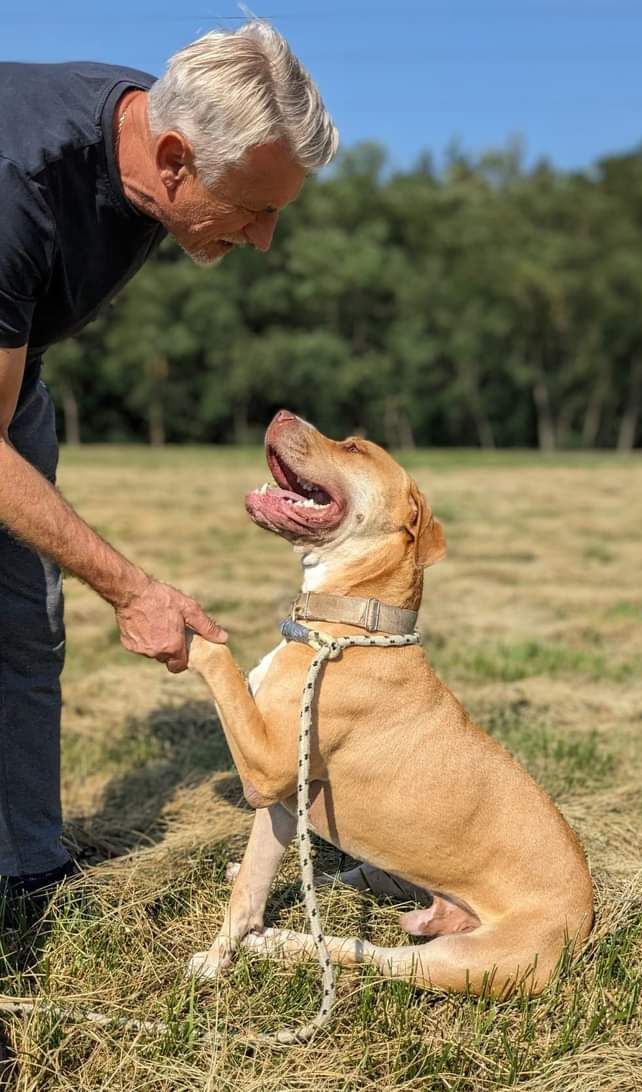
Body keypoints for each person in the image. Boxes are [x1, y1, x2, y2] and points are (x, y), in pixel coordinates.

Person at [0, 22, 338, 894]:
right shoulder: (18, 184)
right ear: (176, 158)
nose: (263, 240)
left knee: (23, 619)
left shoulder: (155, 134)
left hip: (12, 353)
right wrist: (131, 587)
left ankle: (28, 866)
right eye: (255, 209)